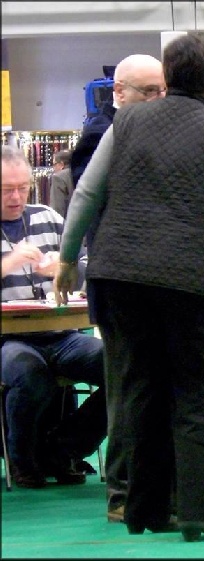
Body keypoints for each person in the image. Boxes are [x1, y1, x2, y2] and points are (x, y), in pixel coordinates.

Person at [55, 33, 204, 541]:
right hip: (190, 280)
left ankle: (143, 510)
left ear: (168, 76)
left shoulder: (126, 121)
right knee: (195, 398)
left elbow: (88, 192)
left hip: (118, 275)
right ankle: (198, 513)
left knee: (136, 391)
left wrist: (68, 260)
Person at [1, 144, 107, 489]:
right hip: (8, 339)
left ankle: (64, 448)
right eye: (6, 190)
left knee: (124, 366)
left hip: (62, 333)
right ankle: (22, 461)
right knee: (30, 373)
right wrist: (9, 264)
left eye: (22, 188)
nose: (16, 197)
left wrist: (62, 269)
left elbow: (86, 268)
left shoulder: (48, 217)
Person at [48, 149, 74, 219]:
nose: (54, 168)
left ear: (61, 164)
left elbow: (57, 208)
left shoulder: (59, 178)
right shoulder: (83, 173)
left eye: (54, 164)